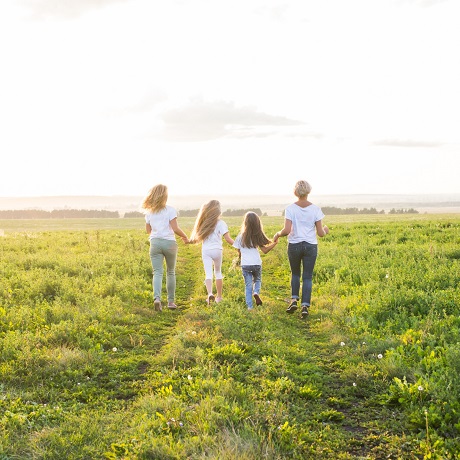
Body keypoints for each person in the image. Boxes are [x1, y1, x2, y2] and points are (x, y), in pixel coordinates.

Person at [273, 180, 329, 318]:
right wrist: (326, 230)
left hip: (294, 245)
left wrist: (278, 234)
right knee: (308, 276)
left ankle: (293, 300)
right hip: (310, 246)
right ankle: (305, 306)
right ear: (308, 191)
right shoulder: (316, 209)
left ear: (295, 192)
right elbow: (321, 233)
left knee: (295, 273)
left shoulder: (290, 209)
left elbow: (286, 230)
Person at [142, 184, 189, 311]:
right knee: (171, 272)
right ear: (165, 196)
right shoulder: (170, 210)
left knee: (157, 272)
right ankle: (171, 302)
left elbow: (148, 230)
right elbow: (175, 229)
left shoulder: (149, 212)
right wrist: (185, 237)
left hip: (155, 243)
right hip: (169, 243)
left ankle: (157, 299)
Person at [189, 200, 234, 304]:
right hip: (217, 250)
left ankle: (209, 294)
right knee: (218, 272)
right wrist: (238, 246)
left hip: (206, 250)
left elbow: (196, 238)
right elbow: (228, 239)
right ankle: (219, 297)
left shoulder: (204, 223)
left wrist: (188, 241)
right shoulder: (221, 223)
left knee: (208, 273)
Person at [233, 212, 278, 310]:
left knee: (248, 286)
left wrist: (239, 260)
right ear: (257, 223)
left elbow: (239, 251)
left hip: (246, 265)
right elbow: (265, 250)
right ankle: (256, 292)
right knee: (257, 280)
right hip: (256, 263)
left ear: (245, 223)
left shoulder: (240, 237)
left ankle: (250, 307)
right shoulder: (257, 236)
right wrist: (274, 243)